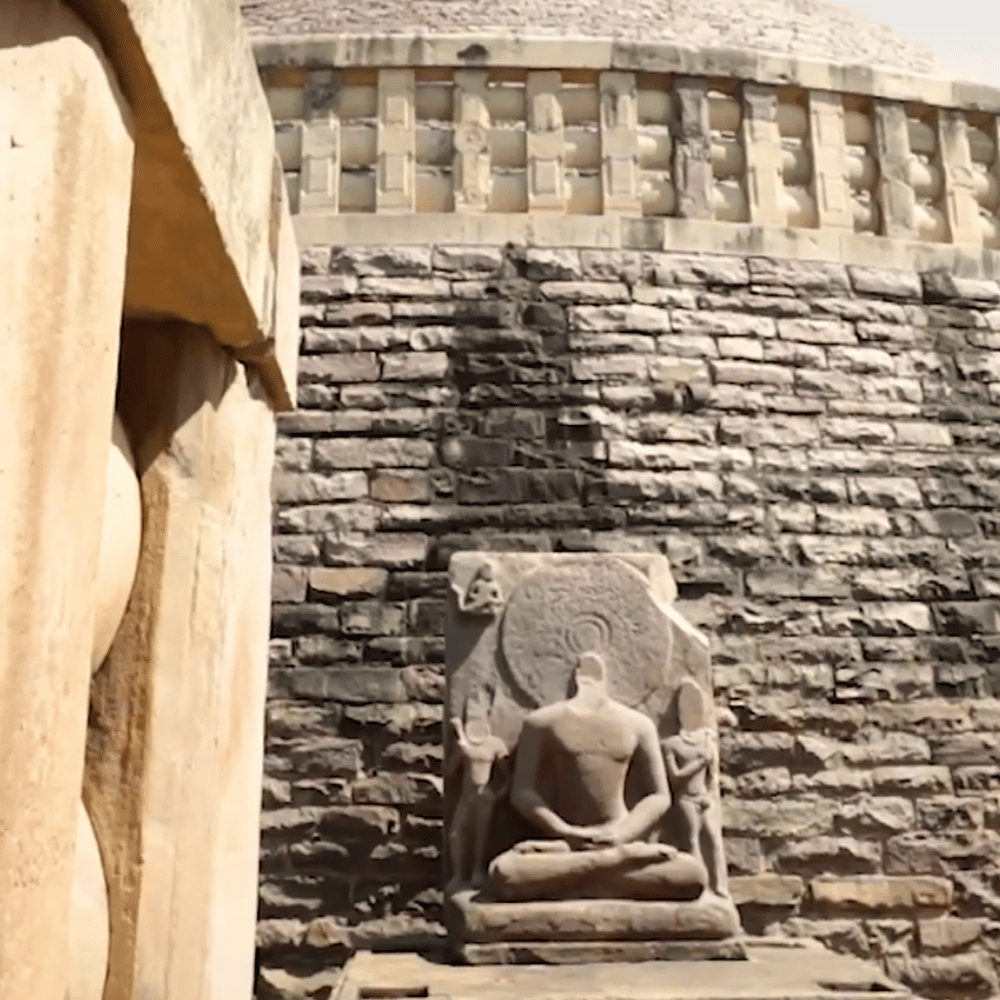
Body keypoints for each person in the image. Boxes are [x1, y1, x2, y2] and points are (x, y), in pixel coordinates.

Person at [486, 653, 706, 902]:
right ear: (574, 676)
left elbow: (658, 796)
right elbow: (523, 792)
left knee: (693, 874)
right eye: (583, 671)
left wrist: (622, 834)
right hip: (567, 845)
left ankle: (582, 876)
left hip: (617, 836)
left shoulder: (638, 724)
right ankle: (612, 866)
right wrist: (565, 831)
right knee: (505, 873)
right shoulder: (541, 723)